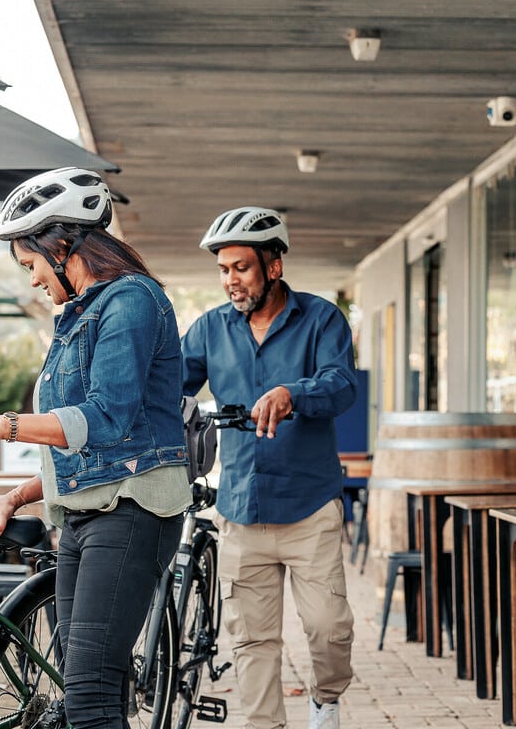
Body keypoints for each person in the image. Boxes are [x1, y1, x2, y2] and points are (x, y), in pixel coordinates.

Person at [0, 167, 192, 729]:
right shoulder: (80, 316)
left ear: (62, 244)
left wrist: (0, 426)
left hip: (130, 516)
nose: (32, 279)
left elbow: (105, 418)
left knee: (90, 699)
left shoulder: (131, 302)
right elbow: (83, 447)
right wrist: (20, 494)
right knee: (86, 694)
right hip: (83, 517)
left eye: (29, 264)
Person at [181, 206, 357, 729]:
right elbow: (172, 390)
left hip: (309, 508)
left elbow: (342, 384)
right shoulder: (209, 330)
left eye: (241, 268)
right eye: (224, 269)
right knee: (252, 641)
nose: (231, 280)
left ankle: (325, 699)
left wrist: (291, 393)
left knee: (328, 629)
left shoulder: (322, 318)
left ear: (273, 267)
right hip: (240, 508)